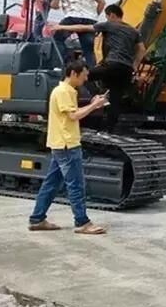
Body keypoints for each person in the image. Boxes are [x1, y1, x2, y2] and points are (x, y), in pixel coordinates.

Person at [28, 59, 107, 235]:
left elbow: (70, 114)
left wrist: (92, 102)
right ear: (73, 74)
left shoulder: (65, 90)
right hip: (67, 144)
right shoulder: (64, 91)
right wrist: (94, 106)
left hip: (60, 143)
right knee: (76, 184)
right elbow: (73, 116)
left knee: (51, 183)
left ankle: (37, 219)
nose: (85, 79)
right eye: (84, 75)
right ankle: (82, 222)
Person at [52, 4, 146, 129]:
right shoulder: (134, 31)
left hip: (111, 64)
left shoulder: (110, 25)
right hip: (126, 69)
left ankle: (96, 95)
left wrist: (61, 26)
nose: (107, 19)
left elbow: (83, 28)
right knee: (115, 98)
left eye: (107, 17)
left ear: (112, 15)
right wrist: (134, 65)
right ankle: (109, 129)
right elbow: (142, 49)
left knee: (84, 76)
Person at [50, 0, 105, 67]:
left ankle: (61, 66)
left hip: (72, 17)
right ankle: (91, 72)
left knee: (57, 40)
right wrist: (95, 15)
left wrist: (56, 6)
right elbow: (102, 2)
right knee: (89, 50)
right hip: (90, 20)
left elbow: (54, 4)